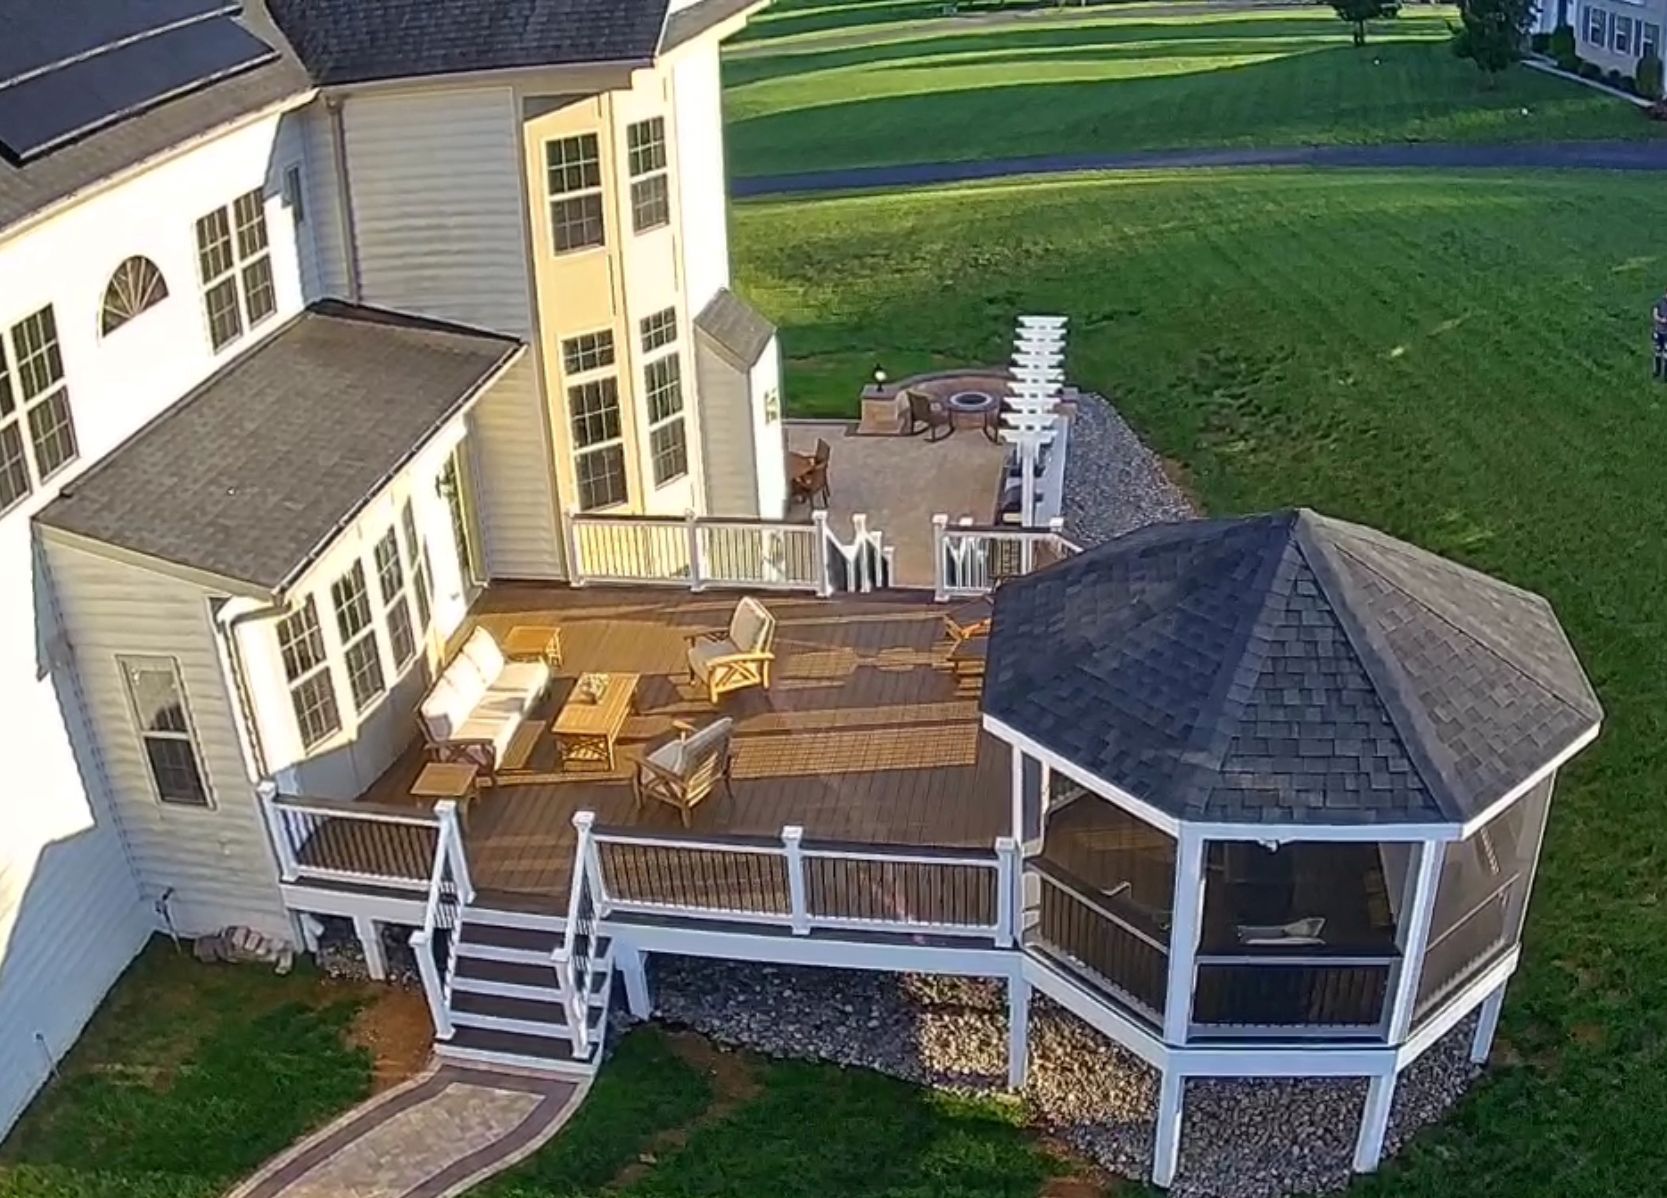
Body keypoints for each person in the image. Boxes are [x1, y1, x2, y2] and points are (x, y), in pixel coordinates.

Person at [1653, 288, 1667, 378]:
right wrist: (1661, 320)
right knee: (1657, 351)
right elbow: (1655, 314)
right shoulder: (1660, 302)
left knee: (1666, 354)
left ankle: (1666, 375)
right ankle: (1657, 372)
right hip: (1659, 330)